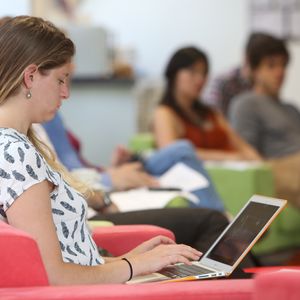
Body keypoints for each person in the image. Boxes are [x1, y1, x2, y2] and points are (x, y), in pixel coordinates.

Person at [0, 16, 207, 285]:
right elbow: (53, 276)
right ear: (30, 77)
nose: (66, 93)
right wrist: (135, 266)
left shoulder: (15, 147)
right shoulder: (16, 154)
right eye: (61, 80)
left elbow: (67, 260)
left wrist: (128, 261)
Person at [42, 112, 225, 211]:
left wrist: (112, 168)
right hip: (98, 186)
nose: (65, 91)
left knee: (183, 156)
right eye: (61, 78)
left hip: (99, 178)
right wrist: (109, 178)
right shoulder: (44, 119)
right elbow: (66, 177)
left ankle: (218, 223)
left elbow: (75, 169)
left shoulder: (50, 115)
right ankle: (221, 222)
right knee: (182, 151)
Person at [153, 46, 261, 162]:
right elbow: (171, 154)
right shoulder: (164, 113)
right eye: (192, 71)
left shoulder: (211, 113)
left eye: (204, 73)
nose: (200, 79)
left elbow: (241, 146)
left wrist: (258, 161)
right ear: (174, 73)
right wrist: (227, 157)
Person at [229, 33, 300, 207]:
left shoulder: (291, 108)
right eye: (271, 65)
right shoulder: (246, 104)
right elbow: (247, 154)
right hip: (277, 169)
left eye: (283, 65)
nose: (280, 72)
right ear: (254, 70)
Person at [203, 33, 268, 116]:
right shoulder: (222, 83)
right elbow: (214, 122)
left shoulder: (265, 88)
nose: (278, 73)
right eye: (270, 66)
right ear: (248, 59)